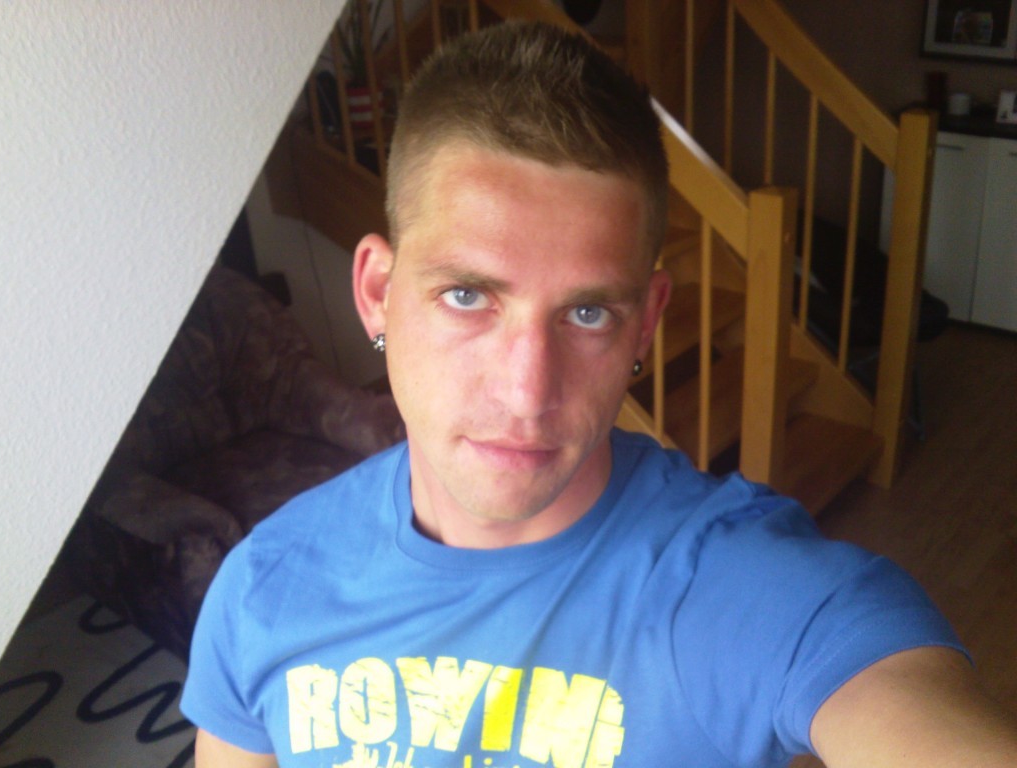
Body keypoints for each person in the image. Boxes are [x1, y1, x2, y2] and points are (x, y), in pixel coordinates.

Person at [181, 21, 1017, 768]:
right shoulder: (263, 588)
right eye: (467, 296)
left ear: (645, 323)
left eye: (587, 313)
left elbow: (889, 691)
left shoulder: (739, 588)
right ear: (377, 294)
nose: (526, 391)